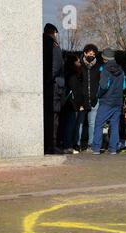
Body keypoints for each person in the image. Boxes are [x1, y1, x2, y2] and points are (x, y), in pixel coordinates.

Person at [92, 48, 126, 155]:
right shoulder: (121, 69)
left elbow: (103, 86)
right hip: (118, 102)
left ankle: (97, 148)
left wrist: (98, 95)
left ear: (104, 58)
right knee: (114, 125)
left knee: (99, 124)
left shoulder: (104, 69)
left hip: (106, 101)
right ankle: (113, 149)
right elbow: (124, 86)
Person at [43, 23, 65, 154]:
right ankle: (52, 145)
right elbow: (56, 67)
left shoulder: (40, 43)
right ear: (54, 33)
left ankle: (47, 144)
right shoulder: (54, 46)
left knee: (47, 116)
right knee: (54, 117)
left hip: (46, 86)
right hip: (54, 87)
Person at [81, 44, 101, 151]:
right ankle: (77, 143)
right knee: (79, 123)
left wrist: (97, 95)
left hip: (94, 99)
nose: (92, 55)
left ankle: (91, 144)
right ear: (85, 53)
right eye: (89, 53)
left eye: (93, 54)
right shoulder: (80, 65)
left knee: (92, 123)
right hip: (82, 99)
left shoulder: (98, 66)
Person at [63, 54, 85, 154]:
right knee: (72, 125)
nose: (79, 63)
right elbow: (75, 91)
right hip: (73, 104)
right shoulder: (73, 75)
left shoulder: (69, 74)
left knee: (71, 125)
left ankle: (70, 145)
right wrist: (80, 104)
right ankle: (68, 146)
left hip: (71, 103)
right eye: (78, 61)